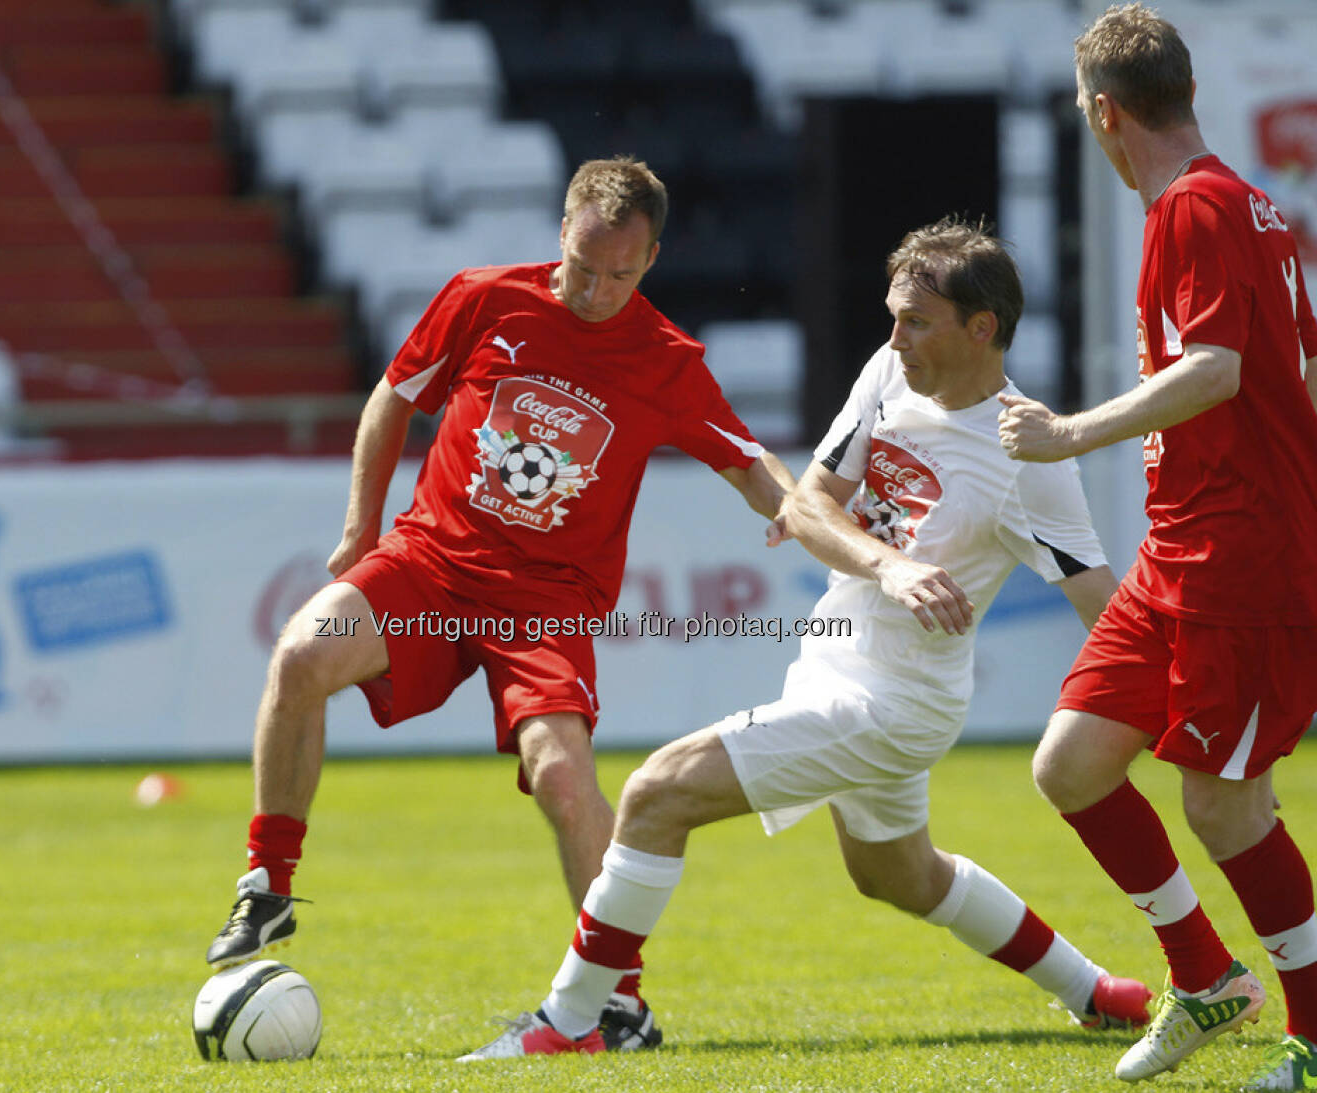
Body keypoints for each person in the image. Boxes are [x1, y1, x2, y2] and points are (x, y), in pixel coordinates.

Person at [459, 216, 1153, 1060]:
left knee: (654, 792)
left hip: (896, 701)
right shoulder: (886, 375)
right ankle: (1098, 992)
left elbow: (1101, 603)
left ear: (983, 329)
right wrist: (890, 566)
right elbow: (808, 505)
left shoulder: (1030, 455)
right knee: (900, 875)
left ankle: (569, 1025)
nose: (895, 338)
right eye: (893, 316)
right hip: (832, 666)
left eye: (917, 321)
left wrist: (1172, 705)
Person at [202, 156, 795, 1052]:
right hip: (431, 564)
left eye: (622, 274)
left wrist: (803, 515)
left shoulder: (667, 361)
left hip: (546, 604)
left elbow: (751, 461)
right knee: (298, 657)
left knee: (564, 776)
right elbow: (390, 399)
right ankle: (268, 885)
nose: (598, 290)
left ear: (653, 260)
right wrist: (362, 527)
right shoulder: (484, 299)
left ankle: (616, 1000)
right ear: (563, 230)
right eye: (585, 266)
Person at [997, 5, 1317, 1088]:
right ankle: (1209, 977)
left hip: (1242, 558)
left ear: (1103, 113)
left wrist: (1067, 433)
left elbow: (1217, 367)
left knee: (1226, 801)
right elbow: (1295, 371)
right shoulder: (1254, 208)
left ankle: (1316, 1038)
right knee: (1073, 764)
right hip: (1185, 550)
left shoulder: (1194, 209)